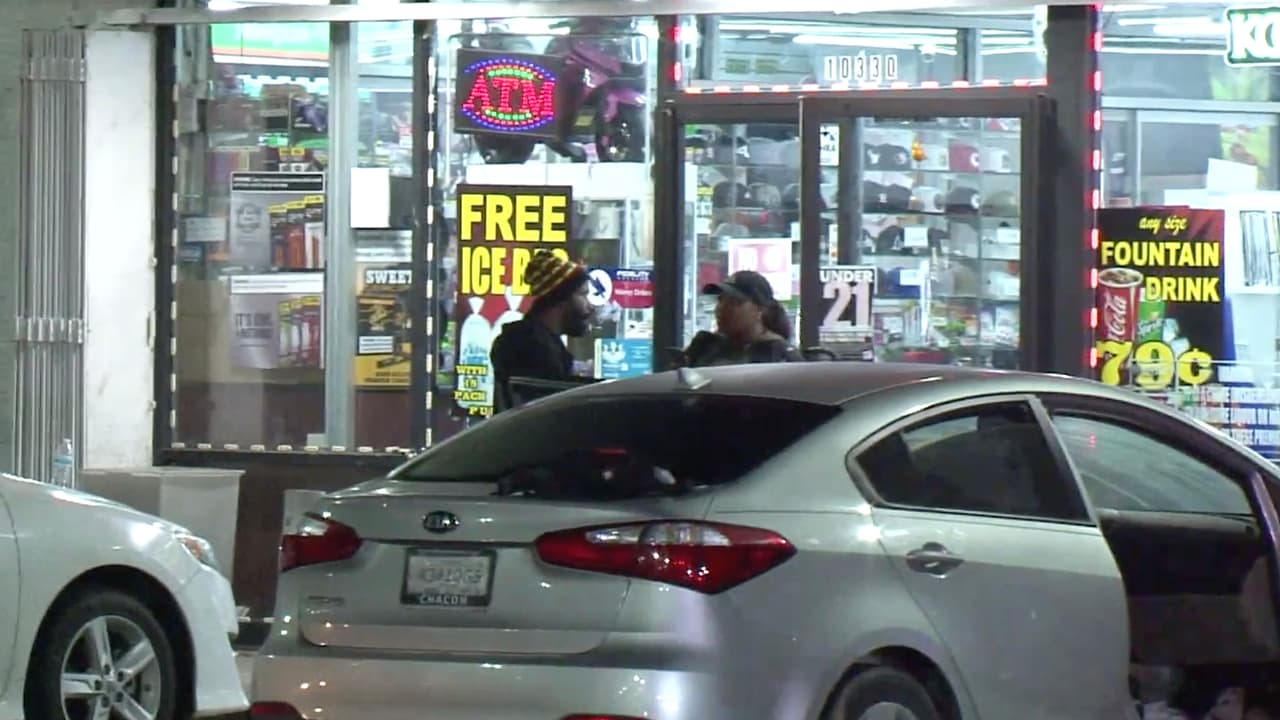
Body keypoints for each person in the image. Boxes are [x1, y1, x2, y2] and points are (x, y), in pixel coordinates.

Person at [490, 249, 594, 412]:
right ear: (560, 299)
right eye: (583, 295)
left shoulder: (530, 340)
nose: (590, 306)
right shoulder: (534, 348)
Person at [680, 270, 803, 367]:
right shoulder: (705, 347)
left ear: (760, 309)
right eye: (721, 300)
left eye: (734, 302)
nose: (721, 308)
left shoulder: (781, 356)